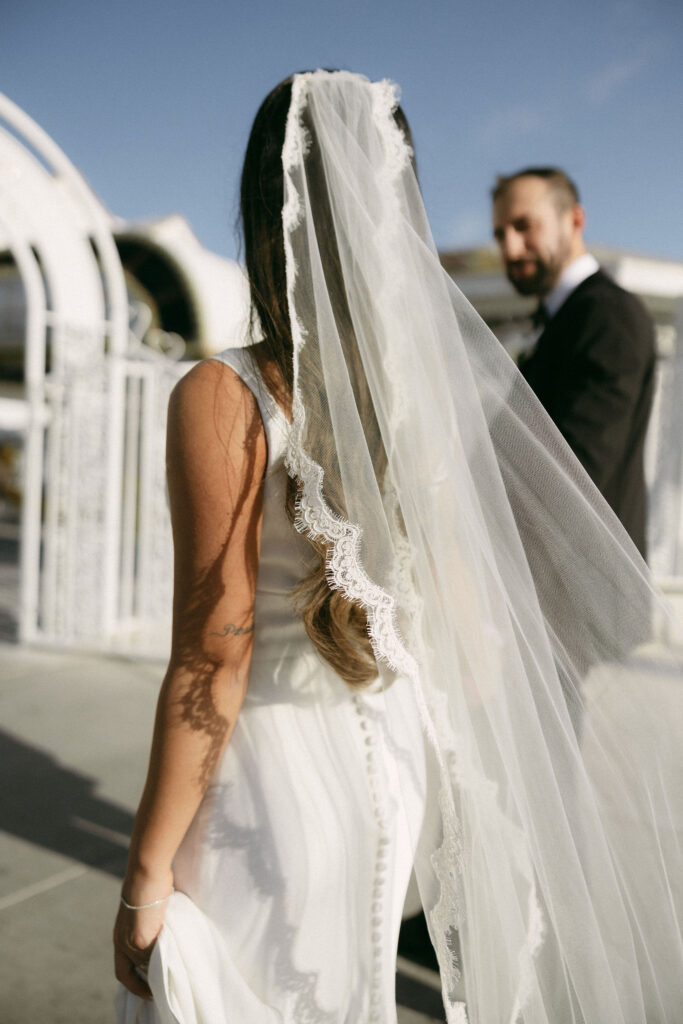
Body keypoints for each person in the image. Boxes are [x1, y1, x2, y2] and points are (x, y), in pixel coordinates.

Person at [115, 72, 682, 1024]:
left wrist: (142, 871)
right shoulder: (420, 405)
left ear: (265, 202)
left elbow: (213, 654)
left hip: (267, 779)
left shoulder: (224, 395)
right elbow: (463, 613)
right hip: (390, 765)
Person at [492, 167, 656, 557]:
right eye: (500, 235)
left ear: (575, 220)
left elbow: (573, 477)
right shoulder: (562, 320)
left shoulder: (608, 315)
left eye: (524, 226)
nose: (511, 249)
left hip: (589, 596)